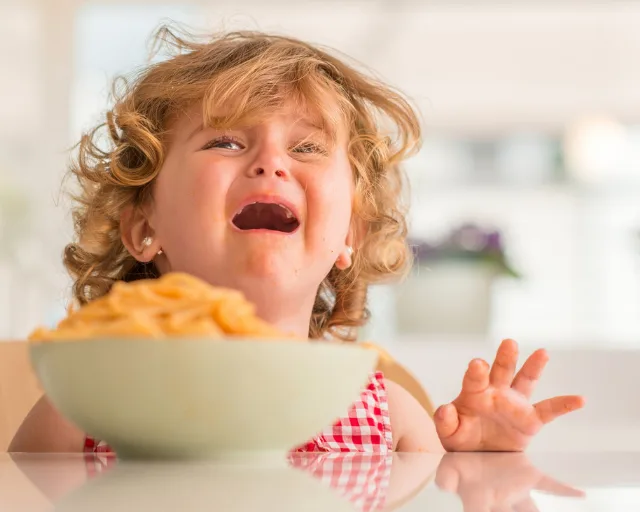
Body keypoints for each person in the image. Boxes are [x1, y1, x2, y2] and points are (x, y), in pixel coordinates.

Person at [10, 26, 584, 455]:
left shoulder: (389, 415)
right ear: (143, 227)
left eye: (307, 148)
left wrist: (469, 469)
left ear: (350, 236)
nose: (271, 164)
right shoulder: (87, 407)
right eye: (226, 143)